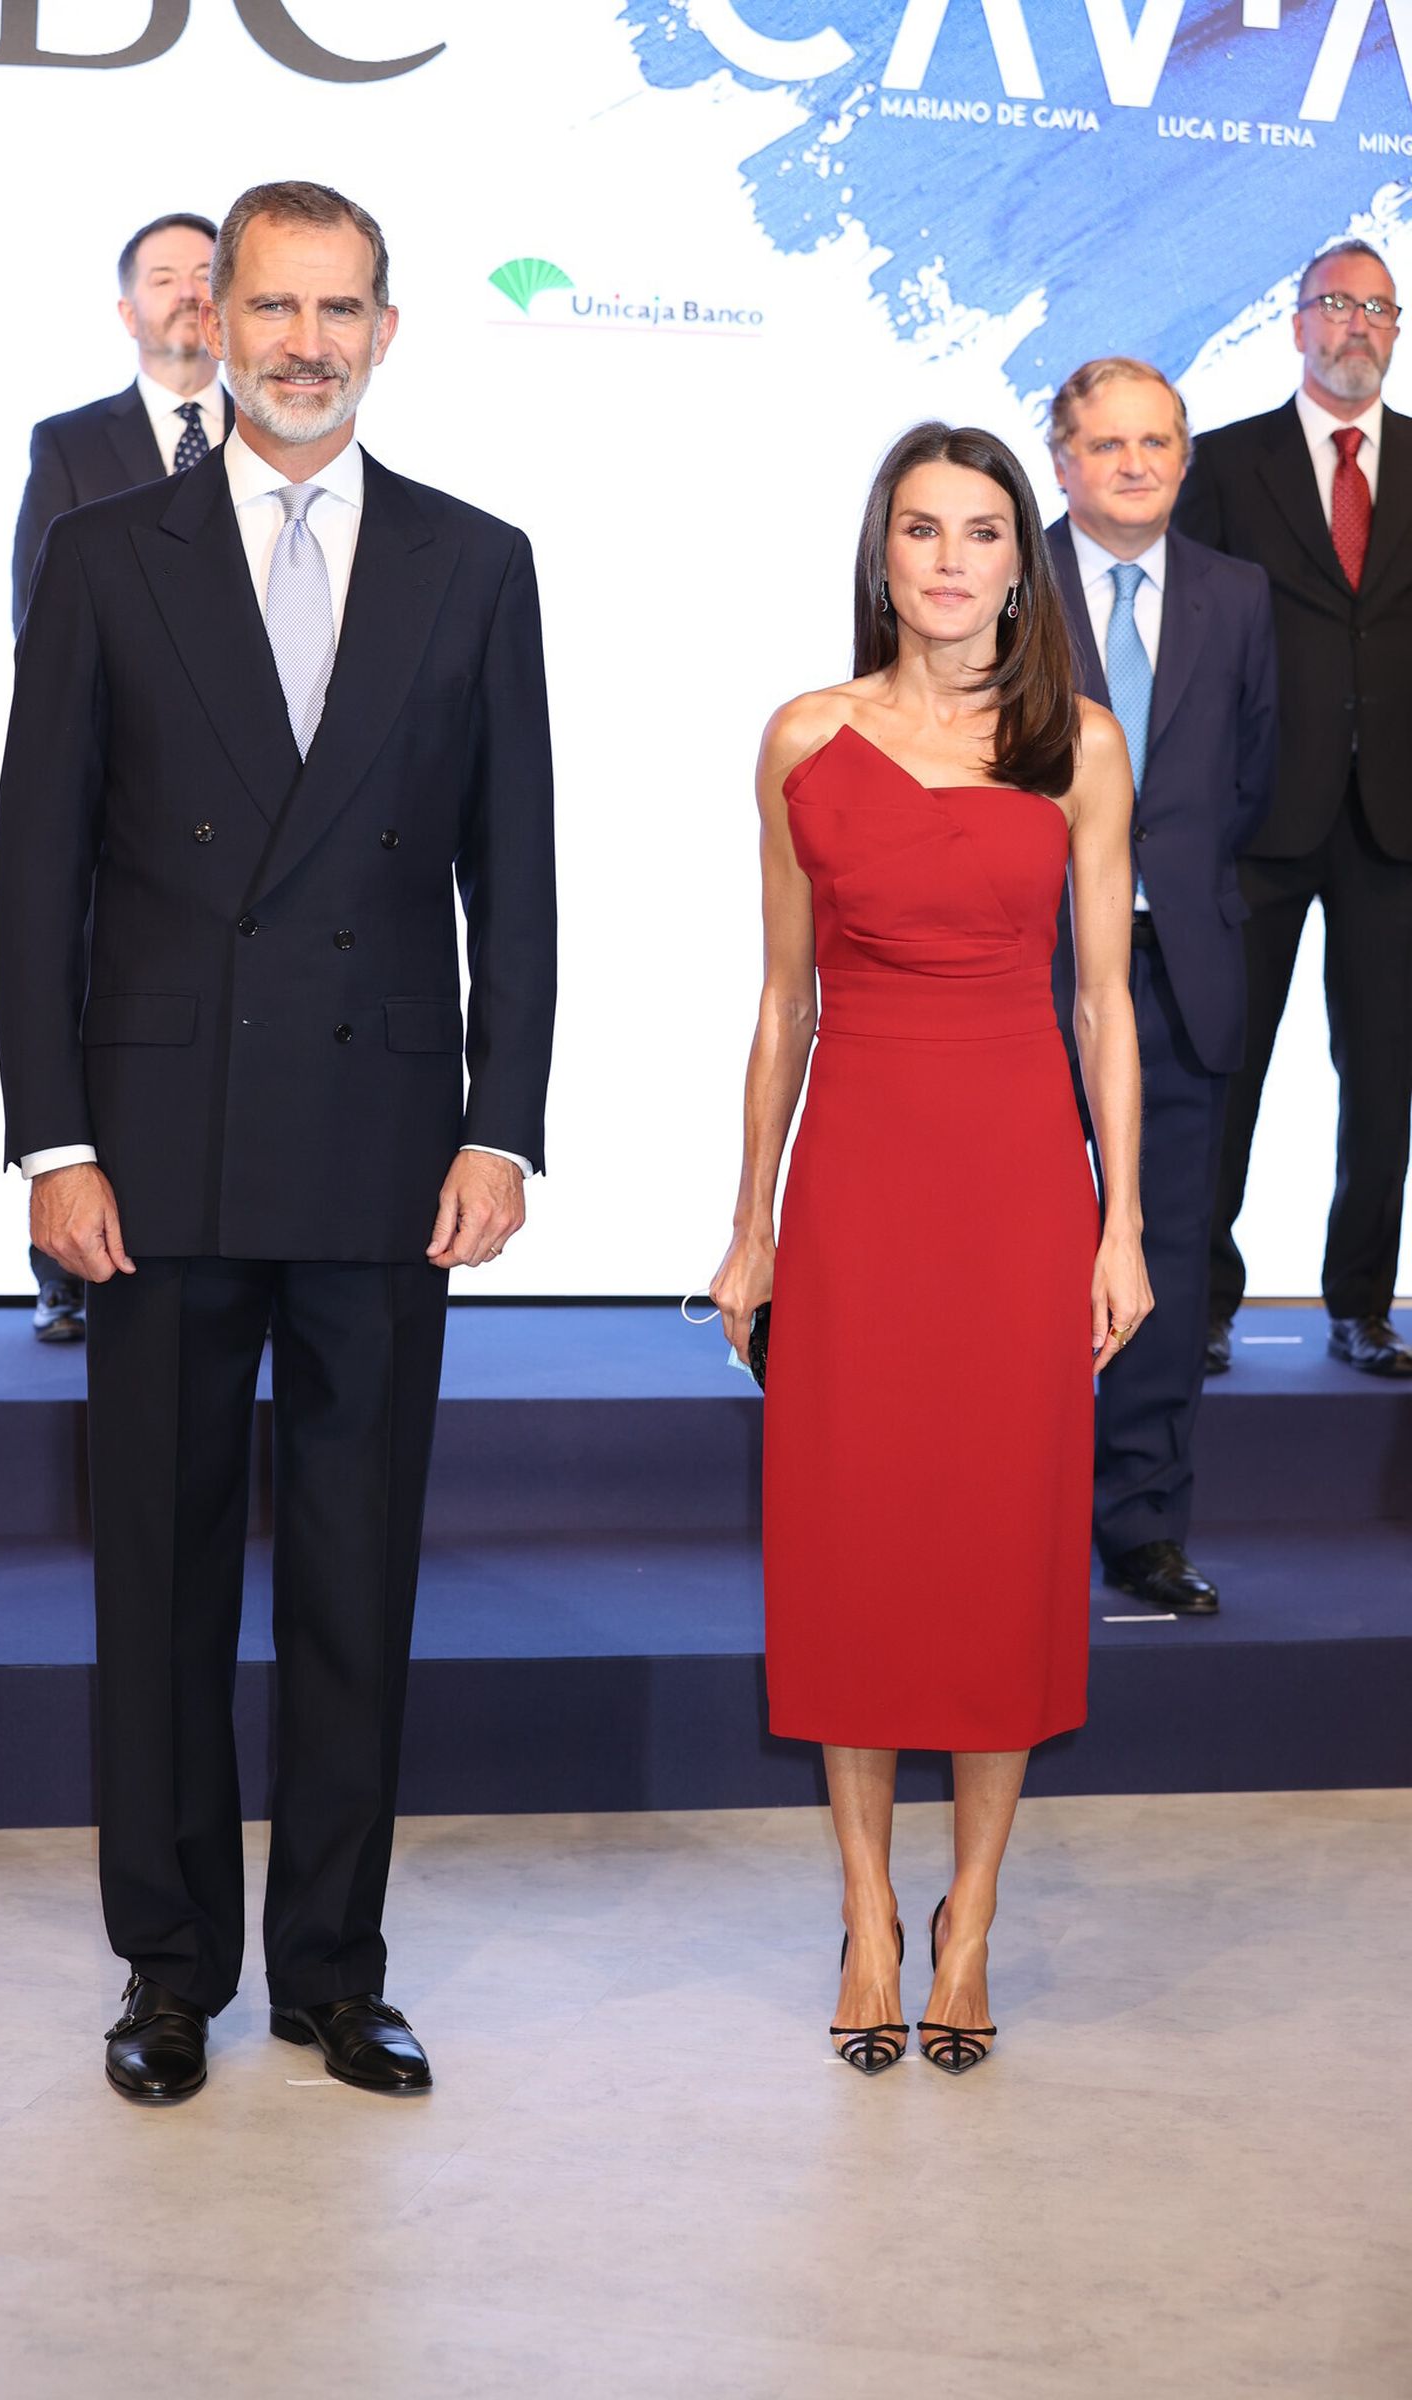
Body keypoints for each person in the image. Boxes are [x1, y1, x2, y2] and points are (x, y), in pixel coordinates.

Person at [0, 180, 556, 2102]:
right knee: (156, 1584)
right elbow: (32, 874)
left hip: (390, 1145)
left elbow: (520, 884)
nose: (307, 342)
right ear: (210, 322)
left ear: (386, 331)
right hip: (154, 1143)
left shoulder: (478, 563)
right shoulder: (104, 554)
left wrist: (507, 1126)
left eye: (342, 309)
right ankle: (168, 1973)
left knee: (353, 1573)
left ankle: (333, 1965)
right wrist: (50, 1139)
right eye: (273, 307)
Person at [711, 423, 1148, 2076]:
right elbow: (783, 1000)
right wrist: (749, 1224)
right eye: (921, 532)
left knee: (994, 1552)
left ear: (1021, 564)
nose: (952, 562)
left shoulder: (1080, 748)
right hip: (863, 1183)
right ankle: (867, 1909)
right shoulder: (803, 741)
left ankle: (966, 1918)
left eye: (982, 533)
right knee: (853, 1544)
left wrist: (1129, 1224)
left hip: (1019, 1183)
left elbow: (1105, 1002)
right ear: (881, 555)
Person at [1047, 358, 1277, 1615]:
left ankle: (1139, 1526)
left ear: (1184, 459)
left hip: (1179, 967)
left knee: (1169, 1256)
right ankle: (1008, 1502)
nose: (1137, 464)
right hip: (1023, 968)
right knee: (1021, 1251)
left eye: (1159, 443)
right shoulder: (999, 575)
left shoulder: (1237, 596)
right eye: (1110, 444)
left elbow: (1250, 775)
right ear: (1063, 458)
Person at [1176, 240, 1412, 1380]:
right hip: (1259, 817)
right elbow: (1190, 651)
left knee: (1383, 1076)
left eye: (1377, 308)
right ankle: (1202, 1301)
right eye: (1337, 305)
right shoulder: (1224, 465)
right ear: (1296, 322)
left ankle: (1362, 1305)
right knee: (1229, 1063)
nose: (1356, 326)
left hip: (1396, 826)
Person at [12, 210, 231, 1344]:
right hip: (117, 802)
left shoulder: (281, 438)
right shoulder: (73, 444)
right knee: (85, 1002)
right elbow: (38, 625)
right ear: (125, 310)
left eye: (208, 273)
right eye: (165, 276)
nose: (189, 292)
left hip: (253, 811)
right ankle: (69, 1260)